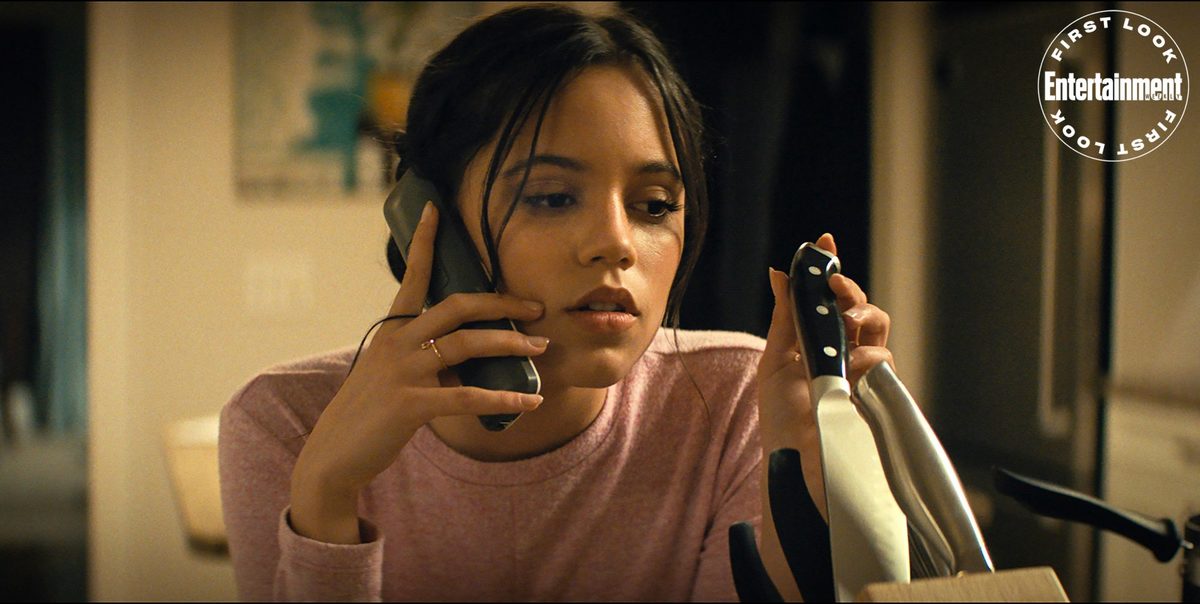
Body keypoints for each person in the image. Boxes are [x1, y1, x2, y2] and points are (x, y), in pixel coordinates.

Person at [219, 4, 896, 601]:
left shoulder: (741, 398)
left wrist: (807, 480)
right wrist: (326, 496)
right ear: (428, 220)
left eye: (654, 205)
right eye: (551, 197)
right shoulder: (284, 424)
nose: (616, 243)